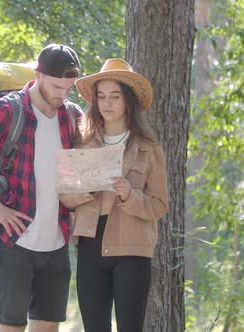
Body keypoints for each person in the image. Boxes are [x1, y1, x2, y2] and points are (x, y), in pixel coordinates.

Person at [0, 44, 83, 332]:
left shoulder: (71, 116)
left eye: (68, 88)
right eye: (58, 86)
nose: (63, 94)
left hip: (57, 242)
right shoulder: (7, 110)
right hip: (14, 241)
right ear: (38, 75)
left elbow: (77, 176)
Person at [60, 58, 169, 332]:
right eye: (101, 96)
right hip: (89, 245)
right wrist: (84, 191)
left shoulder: (149, 149)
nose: (107, 103)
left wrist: (128, 194)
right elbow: (65, 198)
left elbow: (159, 206)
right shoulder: (82, 144)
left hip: (132, 248)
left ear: (128, 101)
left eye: (115, 96)